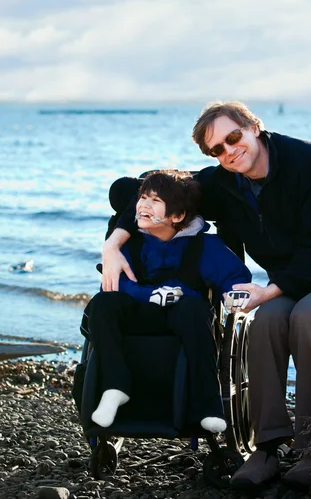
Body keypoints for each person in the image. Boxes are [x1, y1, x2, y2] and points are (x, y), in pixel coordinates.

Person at [102, 103, 311, 491]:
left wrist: (269, 290)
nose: (228, 152)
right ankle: (267, 447)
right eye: (216, 150)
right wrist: (114, 244)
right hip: (297, 282)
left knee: (308, 316)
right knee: (267, 321)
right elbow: (138, 188)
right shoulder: (225, 181)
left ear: (254, 127)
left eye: (233, 138)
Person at [86, 170, 251, 433]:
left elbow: (235, 277)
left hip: (182, 317)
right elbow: (116, 285)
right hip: (138, 313)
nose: (143, 205)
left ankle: (208, 403)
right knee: (102, 304)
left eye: (154, 200)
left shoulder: (205, 245)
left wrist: (232, 296)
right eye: (142, 198)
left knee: (194, 307)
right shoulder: (130, 244)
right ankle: (116, 387)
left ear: (176, 216)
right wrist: (150, 296)